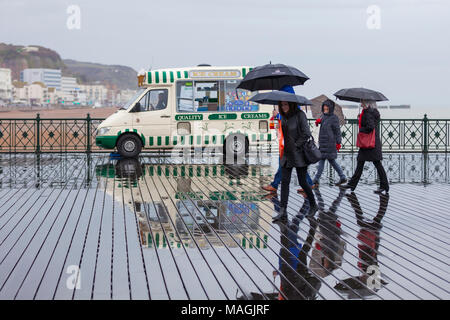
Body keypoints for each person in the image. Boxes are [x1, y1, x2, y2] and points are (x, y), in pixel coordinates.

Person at [262, 85, 314, 196]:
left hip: (294, 147)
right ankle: (307, 185)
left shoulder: (297, 112)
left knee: (292, 168)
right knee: (289, 169)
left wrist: (278, 116)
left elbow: (297, 126)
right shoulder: (286, 109)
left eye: (284, 102)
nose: (282, 104)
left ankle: (276, 185)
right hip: (287, 146)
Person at [272, 100, 318, 222]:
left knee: (303, 182)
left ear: (291, 104)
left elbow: (306, 133)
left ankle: (313, 204)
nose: (283, 107)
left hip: (298, 154)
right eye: (281, 105)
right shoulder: (284, 117)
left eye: (286, 104)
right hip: (286, 154)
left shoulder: (300, 115)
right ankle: (282, 211)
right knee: (285, 181)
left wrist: (296, 145)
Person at [342, 101, 389, 194]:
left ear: (368, 104)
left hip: (370, 143)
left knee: (376, 164)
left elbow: (370, 127)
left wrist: (361, 129)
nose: (361, 104)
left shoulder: (368, 113)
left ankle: (384, 185)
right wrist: (360, 118)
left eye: (363, 103)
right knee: (361, 163)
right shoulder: (368, 112)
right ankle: (352, 184)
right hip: (370, 143)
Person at [312, 99, 347, 187]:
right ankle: (342, 177)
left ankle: (316, 179)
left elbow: (337, 131)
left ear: (330, 108)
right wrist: (319, 121)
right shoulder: (323, 117)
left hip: (330, 143)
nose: (325, 109)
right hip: (323, 143)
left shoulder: (334, 118)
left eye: (327, 108)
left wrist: (338, 142)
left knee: (324, 160)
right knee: (330, 161)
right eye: (324, 108)